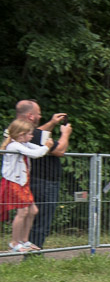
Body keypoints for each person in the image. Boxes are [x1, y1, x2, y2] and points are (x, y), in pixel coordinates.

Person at [15, 100, 72, 250]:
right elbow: (59, 150)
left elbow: (37, 133)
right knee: (42, 221)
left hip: (32, 180)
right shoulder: (32, 134)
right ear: (30, 116)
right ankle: (34, 254)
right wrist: (65, 134)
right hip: (45, 182)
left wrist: (52, 123)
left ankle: (28, 249)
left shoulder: (20, 132)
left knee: (32, 215)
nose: (40, 116)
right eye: (38, 114)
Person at [2, 118, 51, 253]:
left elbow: (39, 149)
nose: (32, 136)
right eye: (29, 134)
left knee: (33, 211)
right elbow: (36, 154)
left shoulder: (23, 143)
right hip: (15, 182)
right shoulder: (14, 145)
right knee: (22, 212)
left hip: (23, 182)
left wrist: (46, 146)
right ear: (20, 134)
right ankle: (14, 242)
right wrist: (47, 146)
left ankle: (24, 240)